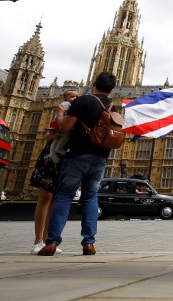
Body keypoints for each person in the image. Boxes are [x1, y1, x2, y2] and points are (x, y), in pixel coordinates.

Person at [39, 71, 118, 256]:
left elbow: (64, 126)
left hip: (77, 155)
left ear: (93, 83)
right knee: (90, 197)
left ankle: (51, 242)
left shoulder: (83, 101)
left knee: (64, 196)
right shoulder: (113, 107)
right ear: (112, 88)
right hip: (100, 158)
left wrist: (60, 113)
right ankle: (89, 243)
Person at [28, 121, 63, 254]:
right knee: (45, 197)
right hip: (50, 158)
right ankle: (38, 241)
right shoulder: (62, 113)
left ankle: (47, 240)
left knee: (54, 200)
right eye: (71, 97)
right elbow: (48, 133)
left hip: (64, 158)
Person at [48, 89, 78, 163]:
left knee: (56, 140)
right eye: (72, 96)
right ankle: (58, 149)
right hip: (61, 125)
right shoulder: (66, 104)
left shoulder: (65, 104)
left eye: (77, 96)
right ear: (65, 98)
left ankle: (52, 153)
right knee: (63, 137)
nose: (75, 98)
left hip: (59, 126)